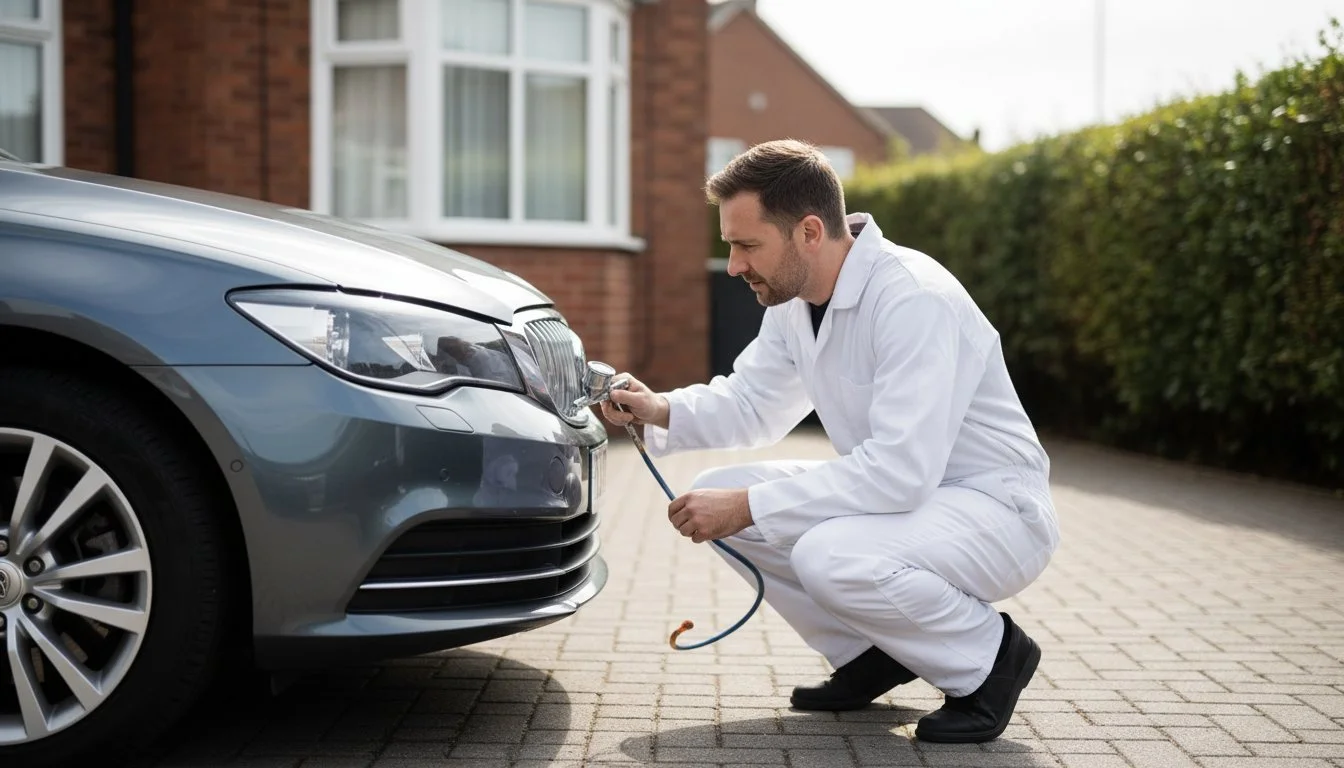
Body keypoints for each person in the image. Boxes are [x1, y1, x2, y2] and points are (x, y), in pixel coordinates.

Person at [599, 139, 1060, 744]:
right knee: (717, 491)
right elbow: (753, 403)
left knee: (826, 550)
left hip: (995, 512)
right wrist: (657, 409)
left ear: (808, 232)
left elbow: (898, 471)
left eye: (746, 245)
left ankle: (989, 659)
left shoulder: (914, 299)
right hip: (916, 501)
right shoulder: (795, 302)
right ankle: (874, 651)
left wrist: (748, 506)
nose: (734, 265)